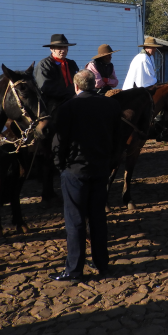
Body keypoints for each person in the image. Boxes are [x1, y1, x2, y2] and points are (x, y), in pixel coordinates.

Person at [50, 70, 122, 282]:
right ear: (95, 85)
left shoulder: (68, 107)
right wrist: (112, 163)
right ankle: (102, 263)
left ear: (76, 86)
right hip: (101, 169)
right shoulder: (111, 105)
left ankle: (74, 269)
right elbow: (118, 139)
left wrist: (59, 164)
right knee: (98, 218)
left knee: (75, 221)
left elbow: (59, 142)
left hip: (75, 170)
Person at [35, 34, 80, 105]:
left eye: (65, 47)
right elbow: (46, 88)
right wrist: (70, 96)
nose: (63, 50)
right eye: (59, 47)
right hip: (53, 103)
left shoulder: (71, 63)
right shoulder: (44, 65)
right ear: (52, 49)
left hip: (73, 99)